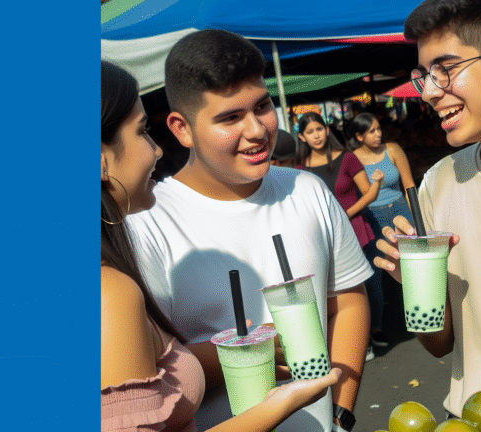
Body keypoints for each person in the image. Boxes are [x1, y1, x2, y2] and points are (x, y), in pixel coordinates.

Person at [126, 30, 372, 432]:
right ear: (181, 128)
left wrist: (341, 414)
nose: (257, 130)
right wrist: (243, 349)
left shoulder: (307, 190)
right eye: (230, 118)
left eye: (262, 106)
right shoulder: (147, 223)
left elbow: (346, 301)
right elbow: (145, 370)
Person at [373, 0, 481, 419]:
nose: (428, 90)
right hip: (467, 419)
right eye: (424, 74)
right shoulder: (439, 181)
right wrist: (415, 286)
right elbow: (439, 343)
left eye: (445, 69)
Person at [295, 113, 385, 362]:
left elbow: (368, 194)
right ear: (302, 136)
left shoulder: (348, 158)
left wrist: (343, 214)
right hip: (321, 238)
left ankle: (366, 339)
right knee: (333, 291)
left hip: (354, 230)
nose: (316, 135)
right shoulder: (299, 167)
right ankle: (346, 340)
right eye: (310, 131)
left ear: (326, 130)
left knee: (361, 287)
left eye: (319, 129)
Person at [347, 112, 415, 350]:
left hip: (399, 209)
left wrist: (414, 214)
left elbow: (409, 184)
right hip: (372, 215)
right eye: (371, 131)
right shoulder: (352, 159)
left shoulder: (393, 149)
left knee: (411, 263)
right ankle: (376, 326)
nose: (378, 134)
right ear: (359, 136)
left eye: (378, 129)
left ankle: (419, 313)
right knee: (376, 272)